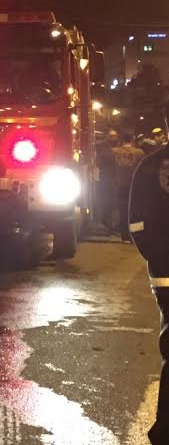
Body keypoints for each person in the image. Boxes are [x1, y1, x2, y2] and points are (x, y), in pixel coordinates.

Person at [129, 99, 169, 444]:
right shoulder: (150, 166)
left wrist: (157, 256)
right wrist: (159, 257)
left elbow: (136, 222)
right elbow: (137, 222)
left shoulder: (151, 165)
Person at [113, 132, 146, 242]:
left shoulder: (115, 152)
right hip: (135, 185)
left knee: (123, 210)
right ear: (132, 140)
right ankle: (135, 235)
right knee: (135, 210)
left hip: (120, 185)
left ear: (121, 140)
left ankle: (125, 236)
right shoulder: (139, 152)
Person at [95, 130, 119, 230]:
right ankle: (107, 222)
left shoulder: (118, 147)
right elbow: (98, 162)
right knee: (107, 200)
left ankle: (111, 223)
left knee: (113, 201)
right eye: (111, 136)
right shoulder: (103, 147)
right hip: (106, 178)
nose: (113, 138)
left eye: (115, 136)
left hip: (114, 178)